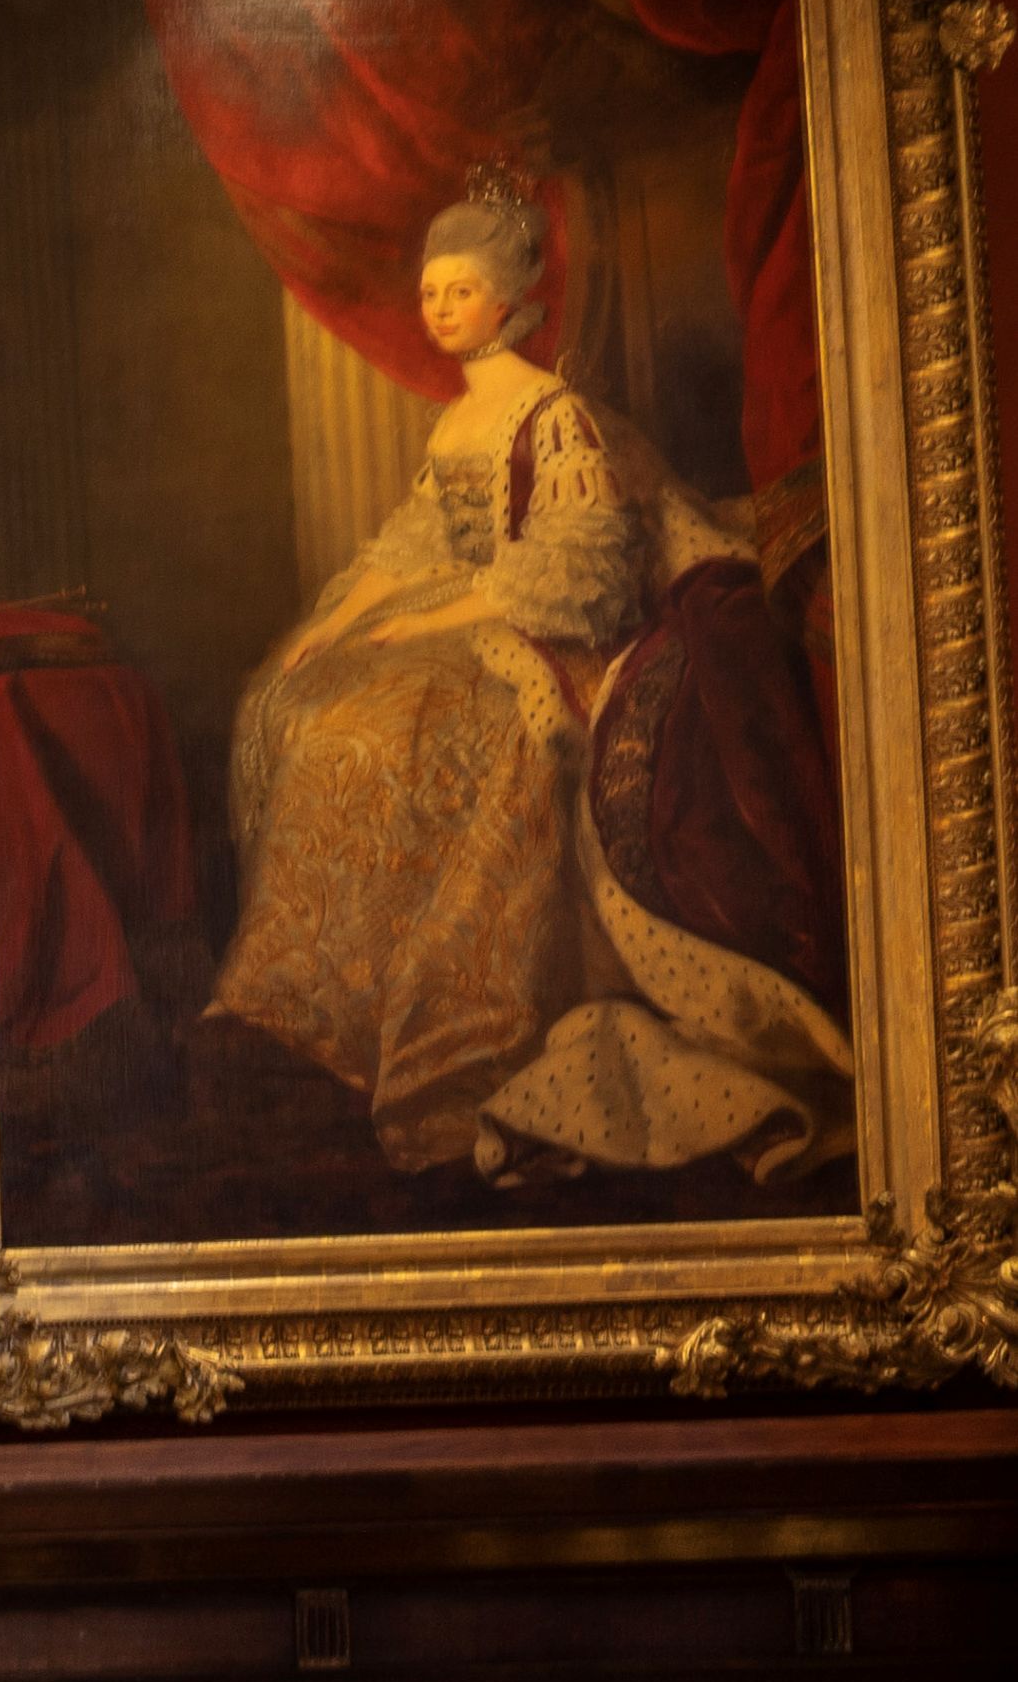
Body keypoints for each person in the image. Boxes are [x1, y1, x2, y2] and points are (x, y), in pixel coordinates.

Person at [184, 179, 849, 1192]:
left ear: (510, 302)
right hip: (468, 613)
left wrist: (432, 620)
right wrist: (334, 626)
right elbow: (409, 547)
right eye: (431, 291)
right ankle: (315, 1006)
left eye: (461, 290)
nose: (440, 308)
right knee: (310, 711)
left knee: (410, 736)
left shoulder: (555, 412)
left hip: (547, 636)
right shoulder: (455, 423)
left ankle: (441, 1024)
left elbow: (575, 576)